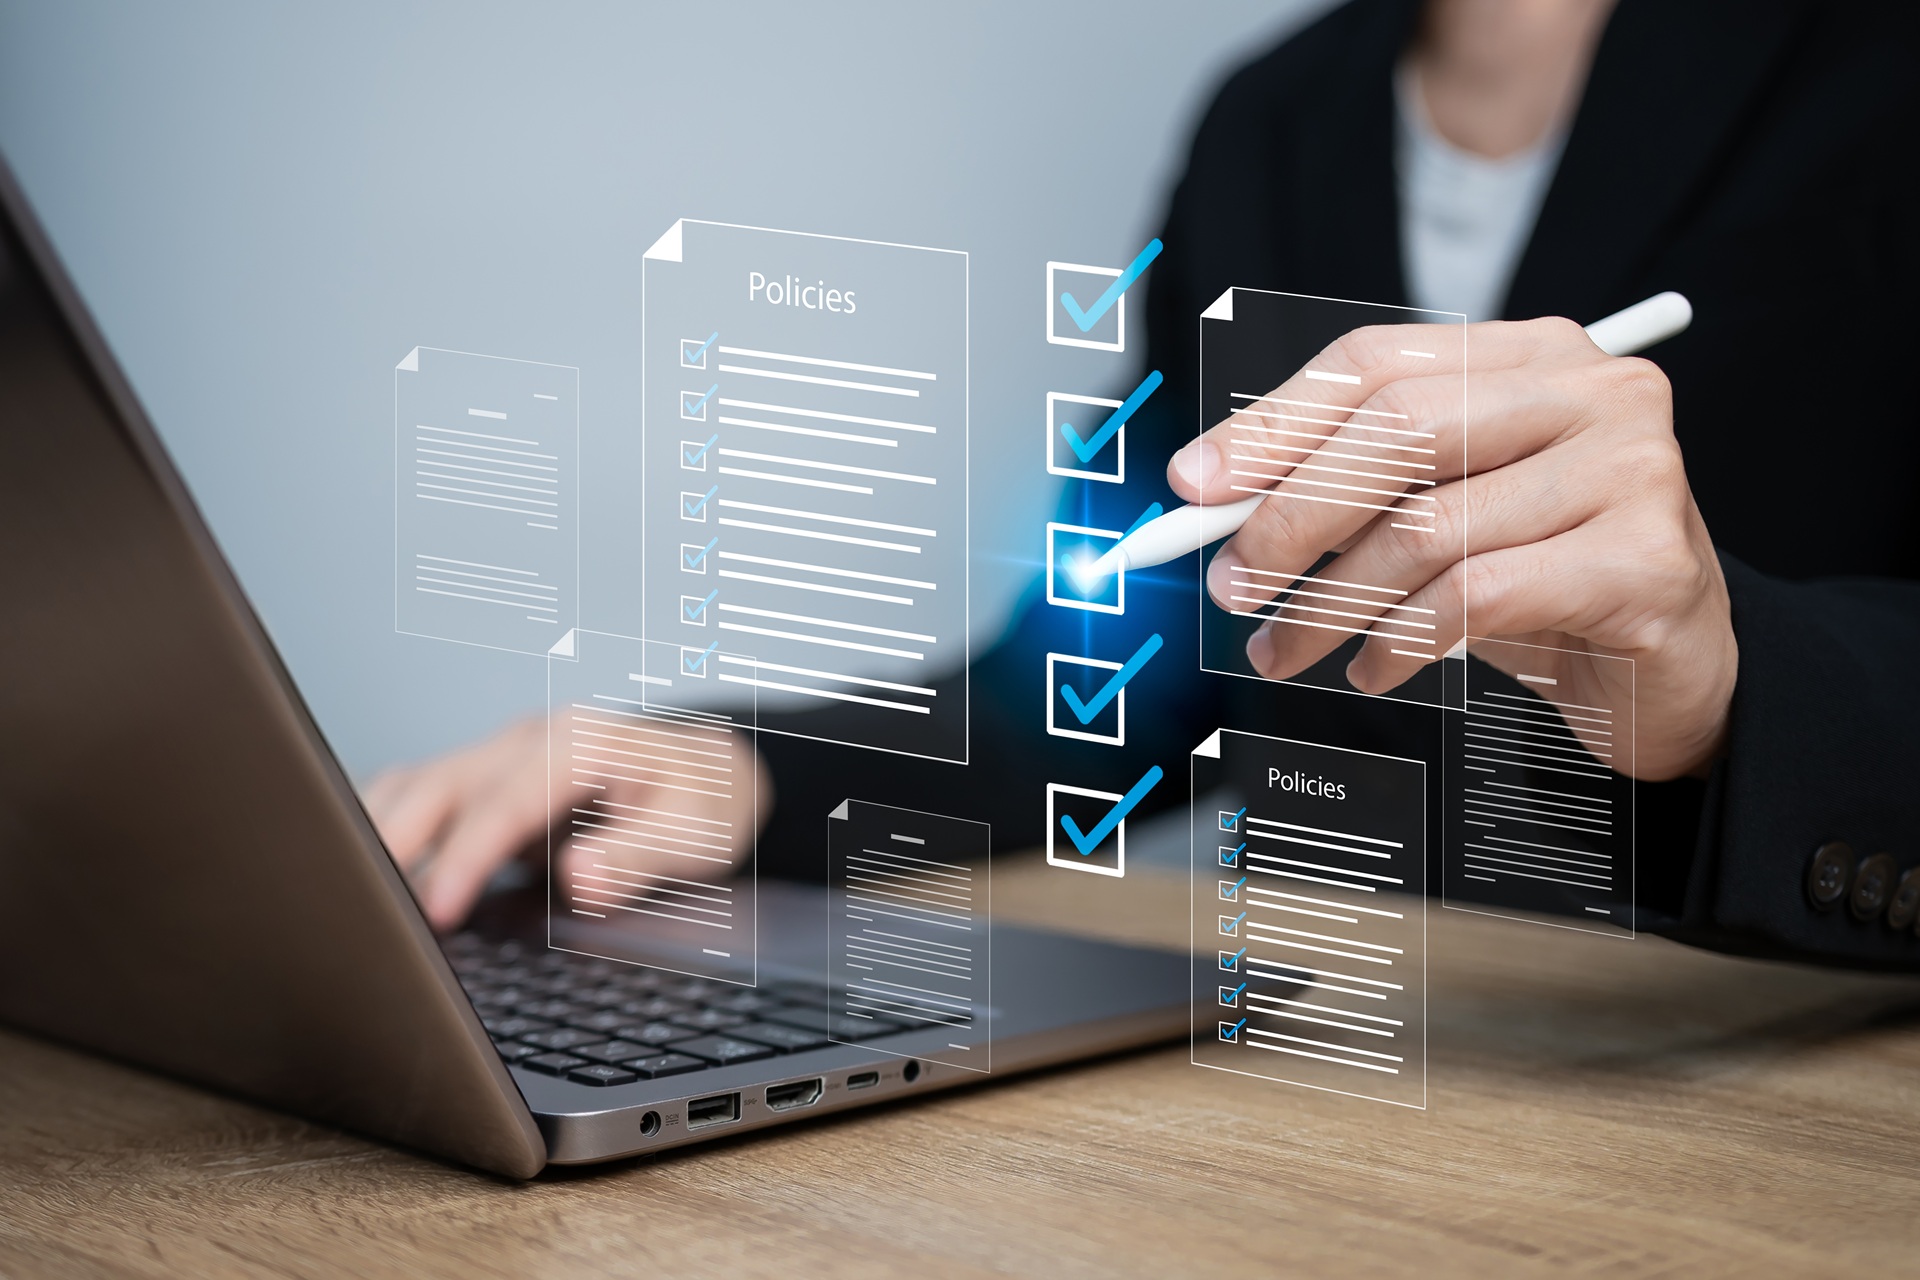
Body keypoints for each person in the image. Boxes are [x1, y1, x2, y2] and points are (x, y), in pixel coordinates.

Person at [367, 0, 1920, 970]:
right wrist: (747, 774)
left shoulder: (1871, 69)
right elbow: (1122, 660)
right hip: (1334, 1059)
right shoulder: (1273, 118)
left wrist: (1734, 687)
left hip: (1778, 1076)